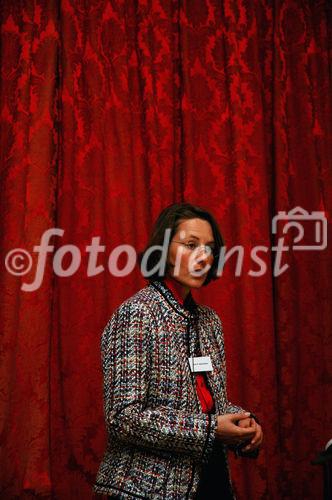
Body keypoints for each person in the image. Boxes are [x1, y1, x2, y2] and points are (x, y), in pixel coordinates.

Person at [93, 202, 263, 499]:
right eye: (190, 244)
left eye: (209, 248)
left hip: (211, 479)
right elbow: (123, 417)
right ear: (163, 250)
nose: (202, 257)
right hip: (148, 490)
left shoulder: (209, 321)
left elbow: (209, 406)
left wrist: (243, 424)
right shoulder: (137, 314)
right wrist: (211, 430)